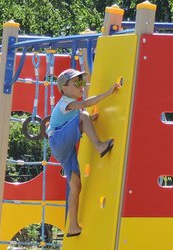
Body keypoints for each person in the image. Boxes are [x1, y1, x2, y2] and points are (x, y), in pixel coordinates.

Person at [47, 68, 120, 237]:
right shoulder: (65, 103)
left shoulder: (70, 106)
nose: (82, 86)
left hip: (63, 146)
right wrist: (109, 92)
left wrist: (88, 121)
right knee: (83, 114)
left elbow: (74, 121)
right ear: (64, 88)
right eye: (77, 83)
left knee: (76, 185)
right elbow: (86, 105)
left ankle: (73, 226)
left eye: (82, 82)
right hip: (58, 140)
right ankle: (99, 146)